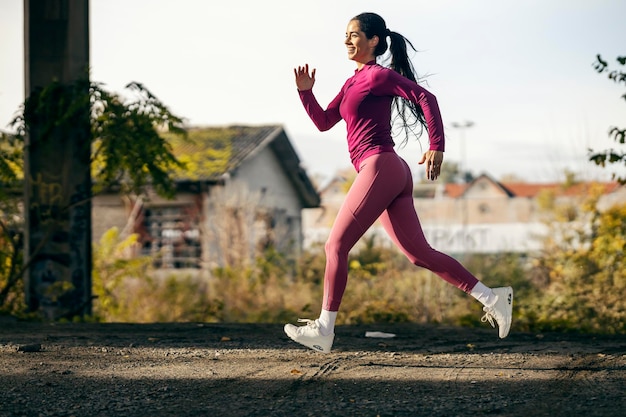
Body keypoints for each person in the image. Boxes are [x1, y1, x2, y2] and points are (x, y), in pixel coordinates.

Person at [284, 12, 513, 353]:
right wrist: (306, 93)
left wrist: (437, 145)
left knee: (335, 246)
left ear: (374, 40)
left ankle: (324, 329)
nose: (346, 41)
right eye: (345, 35)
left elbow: (426, 99)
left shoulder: (378, 76)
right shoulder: (352, 82)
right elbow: (323, 122)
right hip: (387, 171)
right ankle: (492, 297)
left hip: (380, 166)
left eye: (354, 35)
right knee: (419, 254)